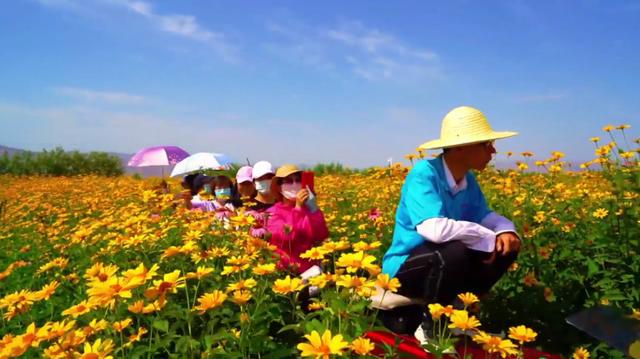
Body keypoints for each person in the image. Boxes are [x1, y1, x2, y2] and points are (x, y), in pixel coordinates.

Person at [380, 106, 521, 335]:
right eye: (486, 144)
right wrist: (485, 235)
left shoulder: (468, 179)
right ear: (462, 147)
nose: (493, 151)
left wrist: (506, 230)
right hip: (405, 268)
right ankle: (431, 328)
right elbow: (433, 229)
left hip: (443, 264)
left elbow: (484, 215)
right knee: (455, 250)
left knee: (507, 246)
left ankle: (460, 316)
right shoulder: (423, 173)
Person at [265, 164, 329, 275]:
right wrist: (298, 209)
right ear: (279, 187)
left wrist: (314, 209)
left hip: (313, 269)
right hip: (287, 272)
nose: (295, 184)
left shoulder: (308, 209)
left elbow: (321, 235)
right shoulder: (272, 213)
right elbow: (287, 236)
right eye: (289, 181)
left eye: (298, 180)